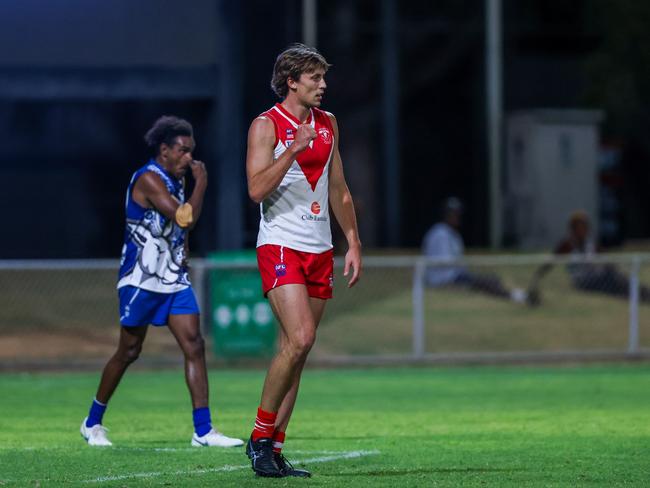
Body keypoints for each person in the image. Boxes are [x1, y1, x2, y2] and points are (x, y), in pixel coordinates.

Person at [80, 116, 243, 448]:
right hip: (140, 278)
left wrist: (183, 252)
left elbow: (181, 228)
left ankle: (203, 430)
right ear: (164, 150)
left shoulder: (175, 179)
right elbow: (184, 215)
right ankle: (92, 422)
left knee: (194, 345)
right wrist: (203, 183)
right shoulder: (149, 180)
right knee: (129, 350)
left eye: (192, 152)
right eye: (182, 151)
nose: (189, 158)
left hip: (172, 278)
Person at [244, 43, 362, 478]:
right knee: (302, 337)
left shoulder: (329, 123)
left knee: (295, 351)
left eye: (323, 77)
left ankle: (274, 448)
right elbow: (256, 190)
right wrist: (292, 149)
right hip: (279, 244)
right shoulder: (266, 126)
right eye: (315, 78)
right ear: (291, 81)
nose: (323, 85)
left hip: (319, 250)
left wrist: (352, 241)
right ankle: (258, 439)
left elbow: (339, 189)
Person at [422, 197, 532, 304]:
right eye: (453, 214)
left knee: (491, 280)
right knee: (486, 282)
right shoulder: (439, 233)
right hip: (444, 279)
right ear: (446, 215)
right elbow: (443, 261)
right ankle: (518, 297)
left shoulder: (453, 234)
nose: (457, 217)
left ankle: (518, 295)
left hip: (455, 276)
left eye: (458, 214)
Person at [528, 210, 650, 302]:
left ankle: (642, 293)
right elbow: (552, 261)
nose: (583, 230)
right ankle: (638, 294)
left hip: (596, 276)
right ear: (573, 228)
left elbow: (605, 257)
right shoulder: (567, 245)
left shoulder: (590, 243)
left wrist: (613, 266)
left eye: (584, 227)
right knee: (613, 279)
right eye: (579, 227)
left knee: (617, 278)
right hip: (581, 281)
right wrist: (538, 276)